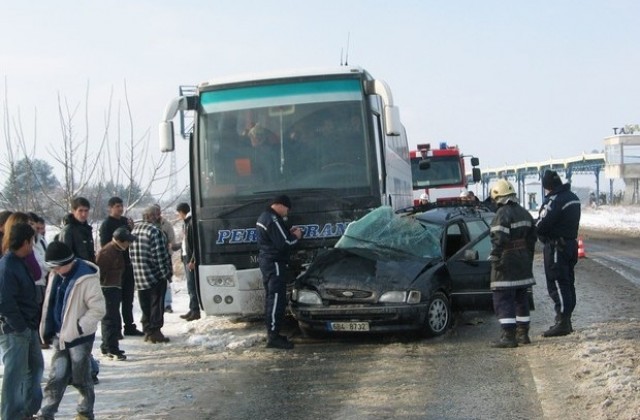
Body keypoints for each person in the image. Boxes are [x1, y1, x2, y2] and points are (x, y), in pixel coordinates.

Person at [38, 241, 106, 420]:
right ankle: (46, 413)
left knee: (81, 378)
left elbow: (98, 309)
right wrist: (46, 328)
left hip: (79, 338)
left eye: (57, 267)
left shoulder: (86, 278)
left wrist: (79, 327)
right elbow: (50, 303)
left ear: (66, 262)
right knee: (56, 377)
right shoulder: (56, 275)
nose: (54, 271)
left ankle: (85, 412)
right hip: (59, 336)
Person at [0, 223, 45, 420]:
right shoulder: (7, 266)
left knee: (35, 368)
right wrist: (20, 326)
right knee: (14, 376)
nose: (32, 246)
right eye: (31, 242)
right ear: (25, 242)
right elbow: (5, 302)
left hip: (28, 326)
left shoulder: (21, 261)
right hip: (14, 330)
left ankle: (26, 412)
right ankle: (11, 415)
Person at [488, 179, 537, 348]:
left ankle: (508, 335)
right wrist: (527, 256)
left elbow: (499, 239)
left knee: (502, 298)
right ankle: (523, 334)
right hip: (522, 261)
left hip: (506, 260)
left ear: (497, 197)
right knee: (521, 298)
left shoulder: (502, 214)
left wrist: (495, 256)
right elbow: (532, 238)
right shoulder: (525, 213)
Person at [536, 170, 581, 337]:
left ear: (547, 185)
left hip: (556, 247)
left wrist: (538, 232)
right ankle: (565, 319)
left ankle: (562, 322)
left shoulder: (554, 200)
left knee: (557, 283)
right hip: (570, 245)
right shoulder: (573, 197)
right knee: (568, 282)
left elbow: (541, 224)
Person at [256, 195, 302, 350]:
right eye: (287, 208)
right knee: (276, 300)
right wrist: (296, 236)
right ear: (280, 205)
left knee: (271, 299)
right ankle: (273, 337)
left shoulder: (265, 216)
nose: (287, 212)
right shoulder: (273, 219)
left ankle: (273, 333)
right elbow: (285, 243)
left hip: (267, 262)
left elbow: (277, 237)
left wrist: (286, 233)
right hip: (274, 263)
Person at [99, 197, 143, 337]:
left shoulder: (124, 221)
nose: (120, 208)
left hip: (127, 263)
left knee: (128, 298)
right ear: (110, 208)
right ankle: (116, 329)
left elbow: (130, 240)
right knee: (114, 300)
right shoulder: (106, 224)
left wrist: (130, 229)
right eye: (117, 206)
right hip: (115, 267)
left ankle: (129, 326)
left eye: (121, 206)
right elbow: (105, 245)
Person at [130, 206, 173, 344]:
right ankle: (155, 332)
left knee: (145, 305)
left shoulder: (134, 230)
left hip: (139, 275)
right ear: (153, 216)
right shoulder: (155, 232)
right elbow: (160, 257)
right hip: (154, 276)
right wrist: (165, 273)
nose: (159, 217)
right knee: (156, 305)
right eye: (157, 215)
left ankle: (147, 330)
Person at [96, 227, 137, 360]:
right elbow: (98, 272)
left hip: (114, 287)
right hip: (107, 289)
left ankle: (107, 346)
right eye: (127, 241)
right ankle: (111, 348)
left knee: (112, 318)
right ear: (120, 240)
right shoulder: (107, 252)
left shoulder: (117, 250)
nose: (129, 244)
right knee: (110, 319)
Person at [153, 204, 179, 314]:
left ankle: (167, 304)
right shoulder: (148, 224)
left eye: (158, 211)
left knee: (166, 281)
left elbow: (172, 241)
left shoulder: (166, 224)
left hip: (165, 256)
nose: (156, 214)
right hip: (152, 258)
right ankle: (156, 305)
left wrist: (169, 251)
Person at [176, 203, 200, 321]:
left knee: (192, 285)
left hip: (190, 259)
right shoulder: (185, 223)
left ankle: (195, 310)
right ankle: (192, 308)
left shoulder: (191, 223)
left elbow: (195, 244)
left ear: (181, 212)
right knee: (189, 285)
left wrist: (193, 260)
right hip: (186, 257)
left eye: (178, 213)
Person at [58, 197, 95, 263]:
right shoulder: (68, 230)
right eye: (80, 210)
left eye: (86, 210)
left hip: (89, 268)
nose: (83, 214)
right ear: (73, 211)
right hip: (75, 269)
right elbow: (64, 256)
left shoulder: (87, 229)